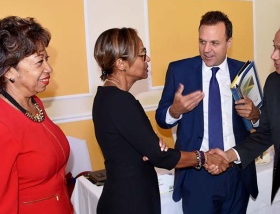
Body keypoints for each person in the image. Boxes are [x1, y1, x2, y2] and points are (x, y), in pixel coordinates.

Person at [92, 27, 229, 214]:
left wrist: (149, 145)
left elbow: (144, 147)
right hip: (129, 201)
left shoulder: (107, 97)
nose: (147, 59)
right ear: (121, 63)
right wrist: (203, 157)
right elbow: (160, 156)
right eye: (142, 54)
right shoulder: (120, 101)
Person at [212, 19, 280, 214]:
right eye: (274, 47)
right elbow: (266, 133)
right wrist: (229, 155)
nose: (273, 55)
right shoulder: (275, 81)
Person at [155, 11, 260, 214]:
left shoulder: (242, 71)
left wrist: (255, 115)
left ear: (229, 42)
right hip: (197, 175)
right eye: (202, 42)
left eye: (214, 43)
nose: (207, 49)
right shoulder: (179, 70)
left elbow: (260, 123)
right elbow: (162, 119)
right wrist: (174, 111)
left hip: (237, 171)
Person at [0, 16, 73, 213]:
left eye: (46, 59)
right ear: (8, 72)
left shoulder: (35, 103)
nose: (49, 68)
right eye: (39, 61)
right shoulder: (1, 123)